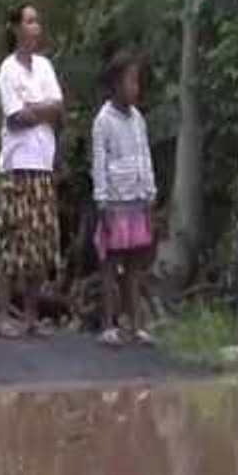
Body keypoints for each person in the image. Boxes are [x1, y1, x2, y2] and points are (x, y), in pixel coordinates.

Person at [0, 4, 64, 340]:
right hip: (18, 163)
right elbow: (14, 117)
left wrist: (33, 109)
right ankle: (5, 314)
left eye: (38, 20)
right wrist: (42, 110)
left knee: (40, 242)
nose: (36, 26)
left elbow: (58, 107)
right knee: (13, 240)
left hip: (43, 162)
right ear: (16, 28)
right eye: (30, 21)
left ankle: (32, 316)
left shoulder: (45, 67)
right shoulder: (7, 70)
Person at [92, 52, 157, 346]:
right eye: (130, 81)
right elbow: (99, 162)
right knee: (111, 264)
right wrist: (102, 201)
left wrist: (149, 193)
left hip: (136, 200)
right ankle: (109, 323)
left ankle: (136, 323)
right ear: (116, 84)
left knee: (134, 266)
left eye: (137, 82)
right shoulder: (103, 121)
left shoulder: (138, 119)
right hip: (114, 201)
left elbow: (145, 155)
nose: (135, 88)